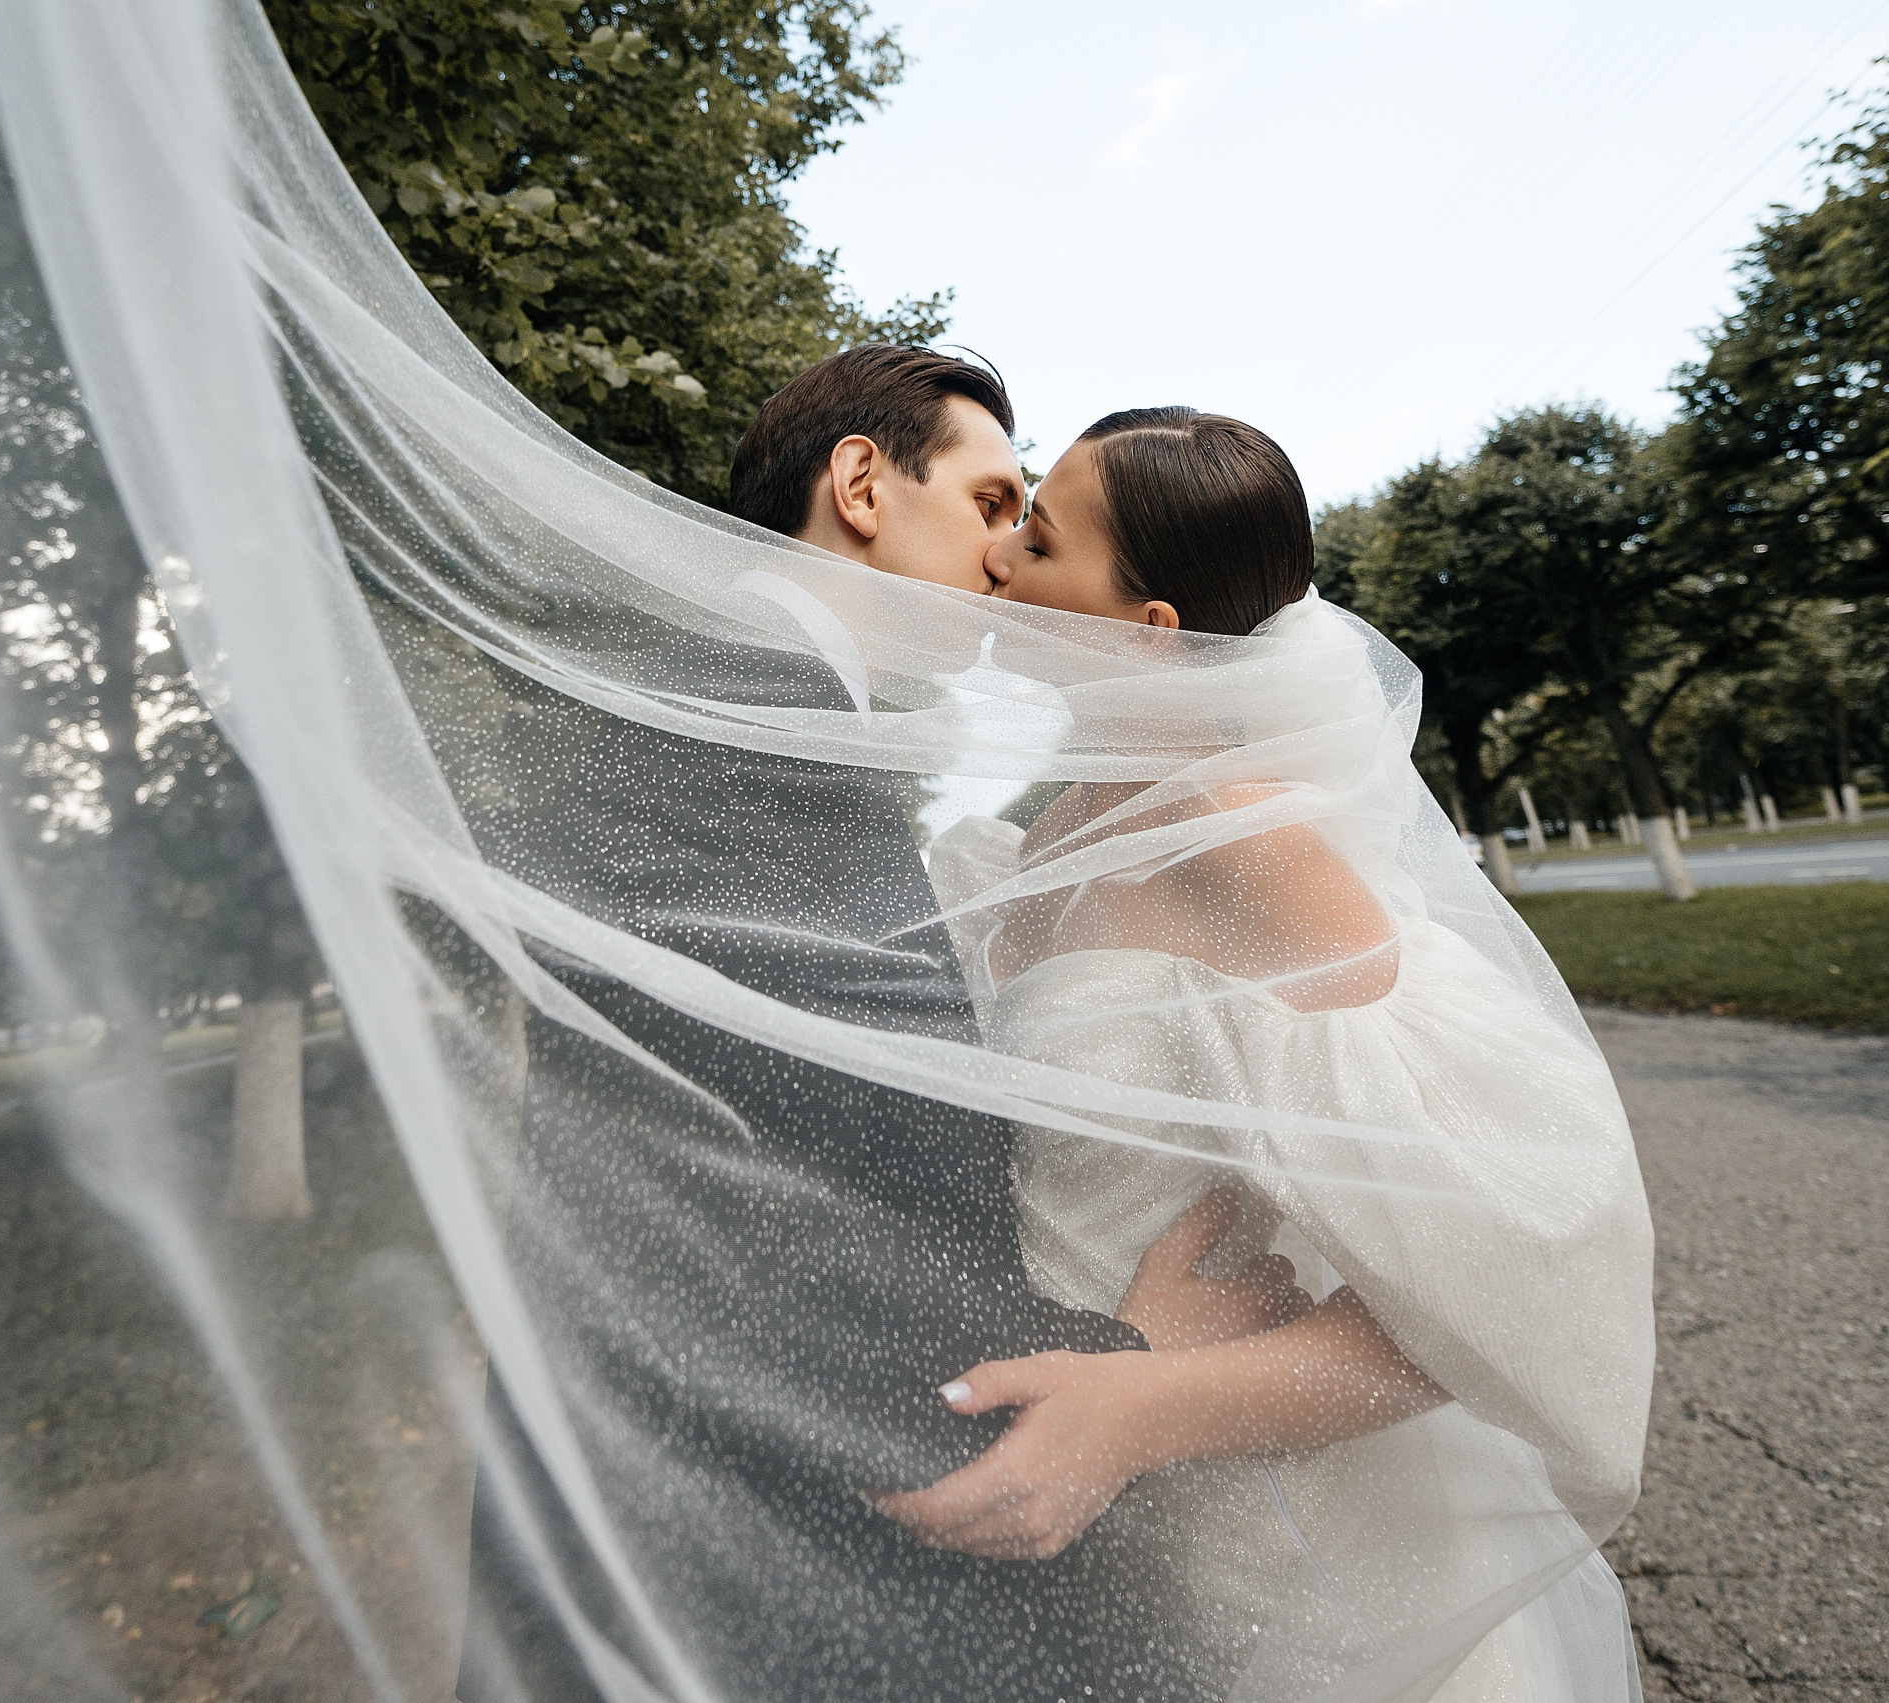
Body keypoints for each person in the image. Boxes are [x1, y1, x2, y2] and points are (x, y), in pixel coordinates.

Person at [455, 359, 1300, 1703]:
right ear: (860, 485)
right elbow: (727, 1216)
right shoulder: (724, 724)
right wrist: (1128, 1368)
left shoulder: (767, 713)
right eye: (990, 498)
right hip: (731, 1559)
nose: (1009, 554)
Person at [872, 409, 1654, 1701]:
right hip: (1083, 1498)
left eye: (1043, 533)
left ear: (1149, 628)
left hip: (1273, 1539)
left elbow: (1500, 1280)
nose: (1000, 553)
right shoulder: (1047, 835)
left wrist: (1141, 1411)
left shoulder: (1239, 840)